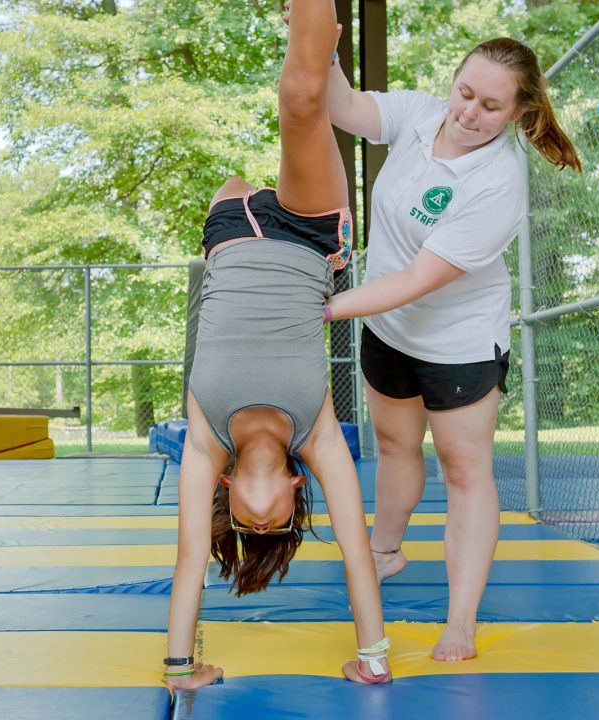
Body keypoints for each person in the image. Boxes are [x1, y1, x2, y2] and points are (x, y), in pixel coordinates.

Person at [322, 37, 581, 661]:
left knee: (464, 473)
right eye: (465, 93)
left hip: (457, 343)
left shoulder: (498, 183)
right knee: (392, 445)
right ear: (454, 81)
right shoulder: (420, 115)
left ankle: (460, 619)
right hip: (389, 329)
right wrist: (321, 44)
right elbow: (343, 108)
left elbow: (416, 279)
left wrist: (320, 308)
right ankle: (385, 550)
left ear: (519, 113)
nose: (468, 113)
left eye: (491, 106)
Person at [164, 0, 390, 690]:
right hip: (309, 236)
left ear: (227, 492)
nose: (260, 521)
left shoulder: (205, 441)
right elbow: (356, 548)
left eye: (245, 525)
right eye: (277, 526)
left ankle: (320, 39)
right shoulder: (319, 435)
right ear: (297, 489)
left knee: (278, 125)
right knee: (302, 98)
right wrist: (372, 658)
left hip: (230, 225)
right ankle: (317, 35)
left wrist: (180, 668)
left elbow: (189, 555)